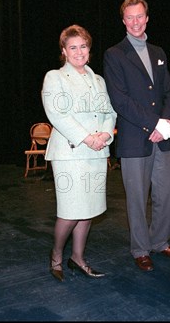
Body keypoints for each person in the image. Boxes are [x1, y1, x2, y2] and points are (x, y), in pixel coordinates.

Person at [103, 0, 170, 273]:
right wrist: (155, 125)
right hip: (135, 139)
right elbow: (120, 100)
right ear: (123, 21)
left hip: (161, 139)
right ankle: (140, 248)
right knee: (136, 197)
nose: (136, 22)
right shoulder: (114, 54)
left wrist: (166, 122)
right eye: (130, 17)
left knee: (166, 194)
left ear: (147, 18)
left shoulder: (159, 52)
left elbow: (169, 92)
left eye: (140, 16)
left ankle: (160, 241)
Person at [41, 24, 117, 282]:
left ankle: (78, 258)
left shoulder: (98, 80)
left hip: (96, 151)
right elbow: (57, 114)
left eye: (83, 46)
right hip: (69, 152)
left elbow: (110, 112)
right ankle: (56, 255)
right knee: (71, 210)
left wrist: (105, 135)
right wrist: (87, 138)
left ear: (89, 49)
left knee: (90, 209)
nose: (79, 51)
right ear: (64, 51)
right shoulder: (55, 77)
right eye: (72, 47)